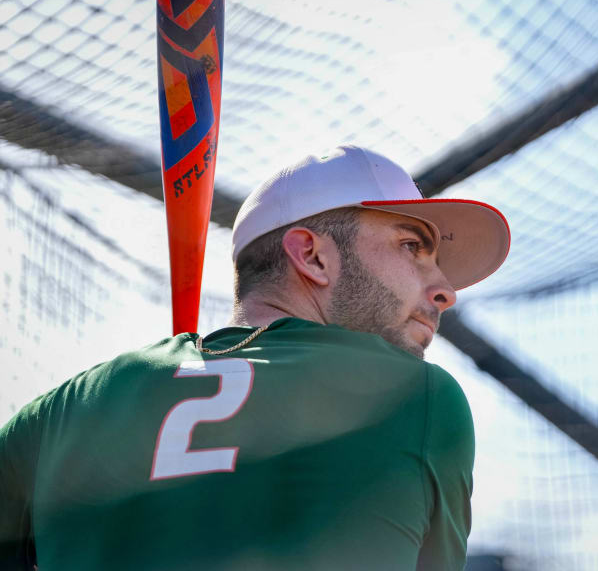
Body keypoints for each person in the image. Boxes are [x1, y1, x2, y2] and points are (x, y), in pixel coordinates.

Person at [0, 145, 510, 570]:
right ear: (311, 255)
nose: (445, 291)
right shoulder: (416, 397)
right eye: (410, 246)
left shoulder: (61, 412)